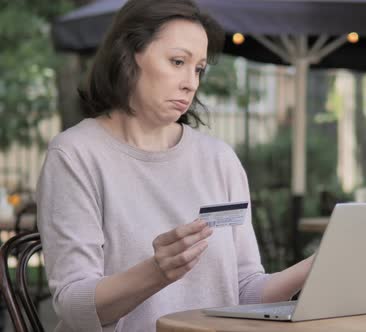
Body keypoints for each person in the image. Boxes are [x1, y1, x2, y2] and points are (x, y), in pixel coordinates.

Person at [37, 1, 314, 331]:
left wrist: (319, 265)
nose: (191, 83)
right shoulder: (75, 155)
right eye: (178, 62)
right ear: (129, 55)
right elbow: (73, 305)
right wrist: (156, 272)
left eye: (198, 69)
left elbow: (243, 292)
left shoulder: (219, 160)